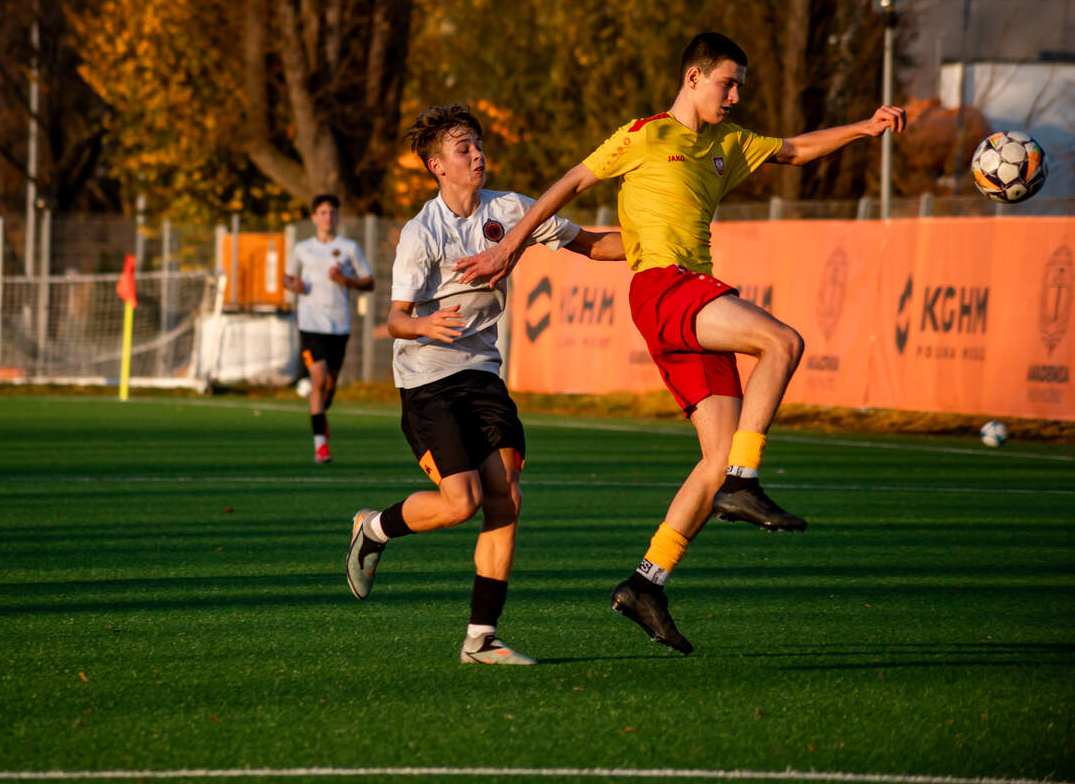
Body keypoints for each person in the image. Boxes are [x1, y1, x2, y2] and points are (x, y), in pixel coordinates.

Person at [452, 32, 907, 655]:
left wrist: (865, 127)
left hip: (690, 293)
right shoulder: (645, 134)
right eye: (727, 83)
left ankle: (647, 583)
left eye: (740, 85)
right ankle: (744, 481)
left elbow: (796, 150)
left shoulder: (730, 143)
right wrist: (509, 246)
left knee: (714, 457)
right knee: (782, 342)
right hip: (664, 288)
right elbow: (572, 181)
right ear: (693, 77)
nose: (735, 95)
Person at [345, 104, 625, 664]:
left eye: (478, 144)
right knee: (460, 503)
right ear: (437, 166)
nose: (478, 155)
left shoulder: (511, 209)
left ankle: (481, 638)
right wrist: (424, 324)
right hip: (427, 379)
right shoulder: (421, 232)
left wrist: (659, 240)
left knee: (506, 497)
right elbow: (396, 319)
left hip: (481, 373)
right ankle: (374, 528)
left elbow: (593, 244)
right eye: (464, 148)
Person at [282, 195, 375, 464]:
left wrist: (345, 280)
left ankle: (321, 418)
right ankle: (320, 446)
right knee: (318, 381)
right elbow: (287, 277)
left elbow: (368, 282)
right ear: (314, 218)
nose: (327, 217)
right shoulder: (303, 249)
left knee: (329, 387)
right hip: (310, 324)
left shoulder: (348, 248)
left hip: (339, 324)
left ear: (337, 217)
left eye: (332, 213)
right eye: (322, 213)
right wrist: (294, 286)